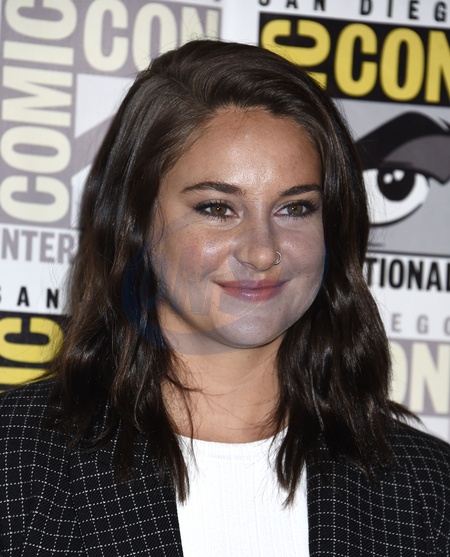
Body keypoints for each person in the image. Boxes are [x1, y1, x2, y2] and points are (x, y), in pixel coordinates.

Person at [0, 39, 449, 556]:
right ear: (135, 221)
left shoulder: (428, 490)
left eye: (295, 208)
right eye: (217, 208)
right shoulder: (17, 463)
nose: (261, 251)